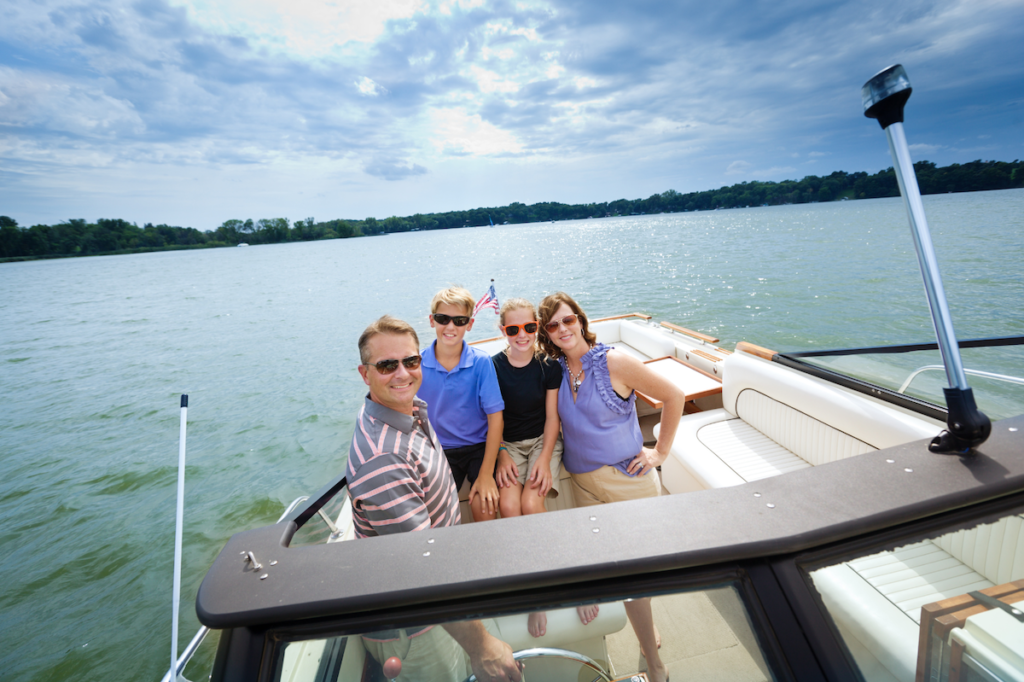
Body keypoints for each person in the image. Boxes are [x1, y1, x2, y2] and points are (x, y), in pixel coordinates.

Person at [347, 315, 522, 682]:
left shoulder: (410, 412)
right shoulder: (385, 461)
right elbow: (422, 573)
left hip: (441, 600)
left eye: (410, 362)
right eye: (386, 365)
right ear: (365, 374)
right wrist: (482, 648)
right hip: (419, 628)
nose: (402, 373)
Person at [538, 292, 686, 682]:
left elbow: (674, 396)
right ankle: (645, 625)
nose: (562, 329)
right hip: (583, 486)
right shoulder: (557, 369)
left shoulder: (614, 361)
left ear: (580, 320)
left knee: (633, 574)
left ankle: (655, 666)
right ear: (547, 334)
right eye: (552, 325)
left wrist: (660, 452)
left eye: (567, 320)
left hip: (628, 485)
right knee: (611, 565)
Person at [490, 298, 600, 637]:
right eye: (513, 329)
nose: (522, 335)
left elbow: (553, 419)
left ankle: (572, 579)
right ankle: (534, 591)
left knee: (531, 504)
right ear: (503, 331)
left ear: (537, 328)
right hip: (508, 447)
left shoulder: (547, 366)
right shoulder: (492, 367)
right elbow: (491, 419)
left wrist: (544, 458)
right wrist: (501, 455)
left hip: (542, 441)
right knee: (508, 505)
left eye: (529, 327)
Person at [418, 287, 505, 522]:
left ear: (470, 324)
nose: (450, 327)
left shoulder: (481, 363)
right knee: (434, 514)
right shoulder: (417, 366)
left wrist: (486, 474)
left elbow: (495, 417)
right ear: (432, 321)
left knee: (484, 507)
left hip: (479, 447)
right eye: (442, 319)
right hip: (439, 450)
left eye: (459, 321)